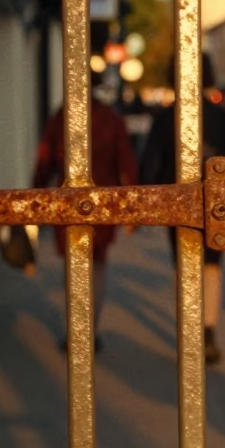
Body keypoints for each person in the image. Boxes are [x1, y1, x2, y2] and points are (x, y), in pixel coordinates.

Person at [138, 52, 225, 365]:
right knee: (212, 267)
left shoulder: (165, 117)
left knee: (184, 266)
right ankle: (209, 330)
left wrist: (145, 204)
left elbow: (151, 161)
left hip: (177, 202)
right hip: (218, 202)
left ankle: (190, 329)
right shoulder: (220, 116)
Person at [32, 70, 138, 354]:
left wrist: (35, 198)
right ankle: (91, 328)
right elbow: (126, 162)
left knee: (74, 266)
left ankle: (75, 331)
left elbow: (44, 161)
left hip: (67, 202)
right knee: (98, 264)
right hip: (103, 202)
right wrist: (132, 209)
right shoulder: (110, 119)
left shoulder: (60, 118)